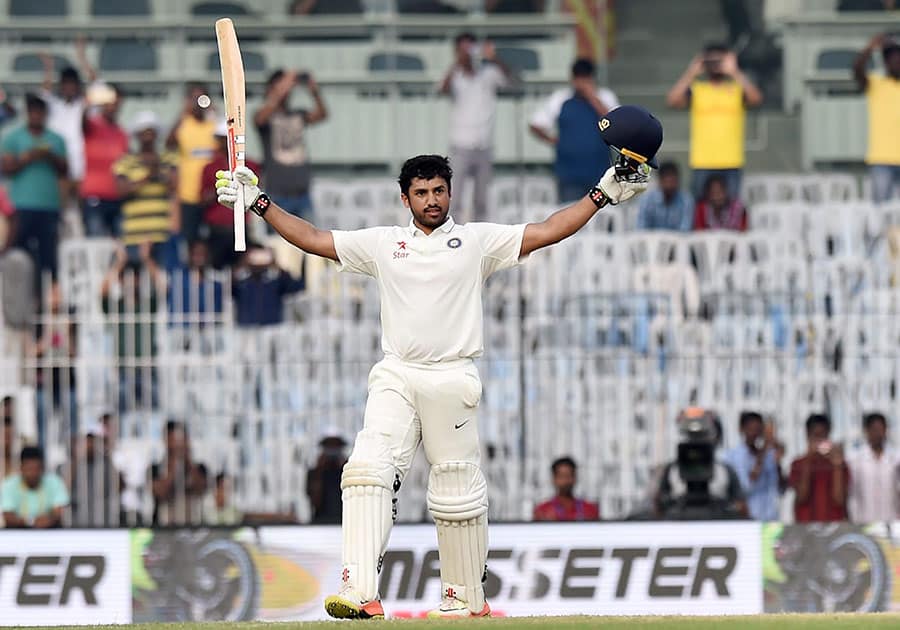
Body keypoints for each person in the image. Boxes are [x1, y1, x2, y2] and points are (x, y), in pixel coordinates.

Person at [215, 104, 658, 619]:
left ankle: (465, 598)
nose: (431, 200)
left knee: (456, 491)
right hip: (397, 373)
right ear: (405, 198)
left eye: (439, 191)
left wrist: (600, 196)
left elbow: (548, 229)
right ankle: (360, 591)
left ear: (451, 192)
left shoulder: (476, 242)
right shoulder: (384, 244)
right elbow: (315, 240)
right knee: (366, 472)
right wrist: (260, 202)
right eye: (421, 193)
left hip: (452, 375)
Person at [666, 43, 763, 201]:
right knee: (699, 209)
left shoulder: (737, 89)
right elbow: (672, 100)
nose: (716, 65)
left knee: (731, 210)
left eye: (720, 60)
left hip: (731, 161)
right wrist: (692, 72)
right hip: (702, 161)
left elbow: (756, 99)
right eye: (711, 60)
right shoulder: (697, 89)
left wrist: (735, 71)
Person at [439, 33, 512, 223]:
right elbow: (443, 89)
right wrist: (458, 62)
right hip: (461, 145)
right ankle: (451, 238)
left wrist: (493, 58)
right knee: (454, 197)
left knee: (481, 200)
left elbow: (513, 81)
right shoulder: (455, 74)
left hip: (484, 144)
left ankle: (479, 240)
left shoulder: (489, 73)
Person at [0, 93, 67, 294]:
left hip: (48, 207)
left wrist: (49, 156)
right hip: (20, 206)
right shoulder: (13, 137)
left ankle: (47, 304)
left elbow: (65, 169)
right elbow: (7, 168)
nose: (36, 115)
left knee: (48, 261)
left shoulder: (56, 139)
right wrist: (27, 157)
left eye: (40, 111)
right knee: (19, 257)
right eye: (32, 111)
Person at [529, 58, 620, 203]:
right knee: (570, 218)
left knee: (602, 218)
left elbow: (616, 126)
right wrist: (554, 141)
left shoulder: (605, 97)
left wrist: (593, 99)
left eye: (585, 77)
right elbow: (536, 125)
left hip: (600, 174)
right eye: (578, 78)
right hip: (569, 174)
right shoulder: (560, 99)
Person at [254, 69, 327, 222]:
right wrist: (281, 88)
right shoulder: (265, 115)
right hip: (277, 194)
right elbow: (260, 119)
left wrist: (314, 92)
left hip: (302, 192)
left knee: (311, 241)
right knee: (277, 244)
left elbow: (322, 115)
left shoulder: (297, 114)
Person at [101, 243, 165, 412]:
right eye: (126, 277)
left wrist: (146, 259)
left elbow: (162, 285)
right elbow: (103, 291)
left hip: (147, 366)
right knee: (122, 415)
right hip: (123, 367)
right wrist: (120, 262)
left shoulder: (148, 304)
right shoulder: (116, 307)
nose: (132, 281)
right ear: (120, 280)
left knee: (153, 412)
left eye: (136, 276)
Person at [654, 408, 747, 520]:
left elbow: (741, 507)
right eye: (692, 436)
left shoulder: (725, 471)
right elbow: (658, 507)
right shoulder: (671, 471)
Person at [114, 110, 179, 264]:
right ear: (137, 135)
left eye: (151, 132)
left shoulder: (168, 159)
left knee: (163, 282)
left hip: (161, 232)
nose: (148, 137)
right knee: (134, 284)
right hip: (134, 234)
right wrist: (148, 177)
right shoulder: (126, 161)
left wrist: (159, 173)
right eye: (144, 132)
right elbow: (121, 190)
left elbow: (174, 186)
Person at [199, 119, 261, 269]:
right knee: (217, 269)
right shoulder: (210, 167)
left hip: (243, 226)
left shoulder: (250, 165)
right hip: (218, 230)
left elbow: (257, 192)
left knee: (242, 268)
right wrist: (220, 191)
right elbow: (203, 199)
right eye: (222, 139)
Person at [39, 39, 95, 202]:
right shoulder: (55, 106)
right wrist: (48, 69)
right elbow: (43, 94)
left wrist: (82, 58)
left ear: (78, 85)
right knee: (60, 210)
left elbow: (98, 86)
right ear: (61, 85)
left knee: (82, 211)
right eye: (66, 84)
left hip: (82, 168)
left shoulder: (84, 106)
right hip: (59, 166)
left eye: (73, 84)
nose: (69, 88)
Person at [166, 83, 216, 248]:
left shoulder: (213, 125)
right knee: (189, 241)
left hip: (211, 195)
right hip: (188, 195)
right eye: (194, 98)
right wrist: (184, 112)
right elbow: (169, 143)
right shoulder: (184, 124)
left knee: (211, 243)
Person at [854, 34, 900, 203]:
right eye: (892, 57)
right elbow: (857, 71)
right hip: (881, 159)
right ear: (885, 61)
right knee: (880, 213)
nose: (896, 61)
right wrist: (868, 49)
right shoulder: (876, 83)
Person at [81, 83, 128, 237]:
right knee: (97, 243)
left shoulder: (121, 133)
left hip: (116, 197)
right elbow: (82, 121)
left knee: (119, 247)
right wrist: (90, 101)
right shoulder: (93, 125)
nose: (112, 107)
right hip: (94, 196)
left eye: (116, 103)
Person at [722, 411, 785, 521]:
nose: (755, 434)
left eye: (758, 430)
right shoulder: (733, 456)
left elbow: (780, 489)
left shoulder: (769, 456)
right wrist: (764, 451)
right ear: (741, 429)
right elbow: (745, 487)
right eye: (751, 429)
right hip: (747, 520)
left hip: (771, 519)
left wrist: (778, 462)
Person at [788, 414, 850, 523]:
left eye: (823, 436)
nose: (819, 441)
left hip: (833, 526)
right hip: (805, 527)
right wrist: (808, 459)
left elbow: (839, 500)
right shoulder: (798, 464)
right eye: (816, 436)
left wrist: (837, 466)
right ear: (808, 435)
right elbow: (802, 497)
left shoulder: (840, 464)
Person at [232, 244, 305, 327]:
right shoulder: (241, 283)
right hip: (247, 331)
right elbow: (227, 289)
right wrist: (242, 263)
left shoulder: (275, 282)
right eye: (254, 257)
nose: (258, 261)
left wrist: (275, 264)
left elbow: (298, 286)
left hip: (272, 331)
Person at [847, 412, 899, 523]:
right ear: (867, 431)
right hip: (863, 521)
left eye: (881, 429)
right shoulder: (855, 459)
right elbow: (852, 492)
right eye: (874, 429)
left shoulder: (895, 458)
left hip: (891, 520)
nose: (878, 434)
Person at [1, 446, 69, 528]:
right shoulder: (9, 484)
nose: (33, 473)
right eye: (29, 469)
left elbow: (58, 513)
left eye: (36, 469)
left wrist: (48, 520)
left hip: (49, 532)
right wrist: (31, 522)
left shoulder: (54, 482)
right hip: (18, 534)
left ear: (42, 468)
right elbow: (8, 516)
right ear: (21, 468)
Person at [532, 456, 599, 521]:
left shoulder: (589, 510)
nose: (566, 481)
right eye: (561, 476)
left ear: (575, 478)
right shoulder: (542, 511)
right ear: (554, 479)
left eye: (569, 476)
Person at [636, 161, 694, 231]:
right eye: (667, 182)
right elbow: (641, 227)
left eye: (673, 182)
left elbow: (685, 229)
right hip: (651, 240)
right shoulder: (647, 200)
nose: (669, 186)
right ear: (660, 181)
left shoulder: (686, 200)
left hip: (677, 241)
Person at [307, 430, 349, 524]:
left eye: (336, 447)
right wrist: (319, 470)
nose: (332, 451)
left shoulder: (348, 473)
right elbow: (314, 501)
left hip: (345, 521)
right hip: (321, 522)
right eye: (329, 447)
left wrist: (346, 467)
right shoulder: (314, 473)